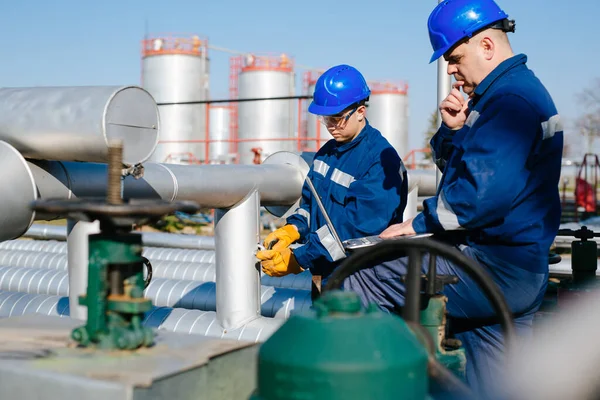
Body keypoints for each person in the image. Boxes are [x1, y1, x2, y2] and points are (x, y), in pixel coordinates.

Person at [342, 0, 563, 396]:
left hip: (495, 267)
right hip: (520, 270)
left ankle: (371, 386)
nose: (450, 68)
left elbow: (478, 198)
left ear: (487, 46)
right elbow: (473, 172)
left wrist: (416, 225)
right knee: (496, 389)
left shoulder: (509, 103)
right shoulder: (512, 96)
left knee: (364, 274)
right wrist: (453, 131)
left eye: (455, 56)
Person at [256, 64, 408, 282]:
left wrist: (298, 258)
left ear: (360, 112)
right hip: (328, 273)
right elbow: (311, 206)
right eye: (326, 119)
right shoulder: (326, 153)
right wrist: (293, 229)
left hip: (364, 279)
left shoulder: (380, 161)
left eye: (337, 118)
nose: (331, 126)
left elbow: (355, 230)